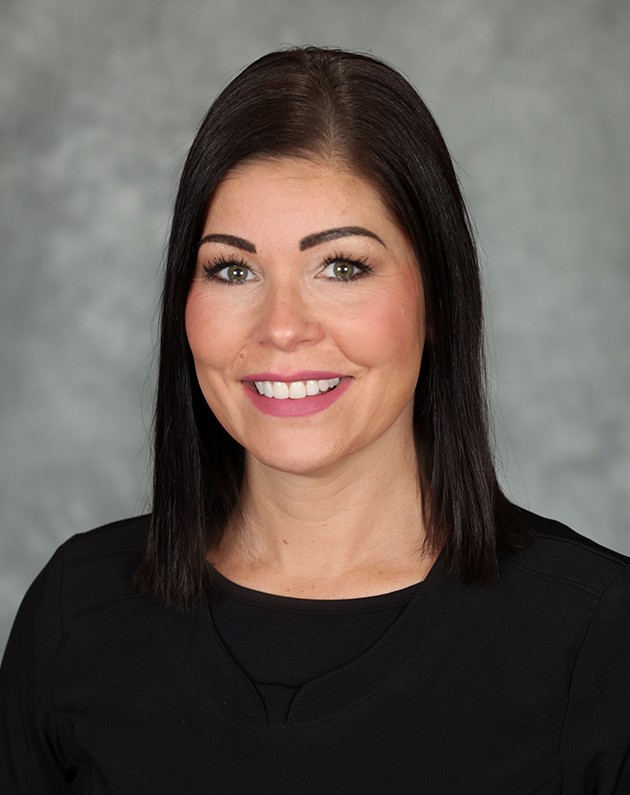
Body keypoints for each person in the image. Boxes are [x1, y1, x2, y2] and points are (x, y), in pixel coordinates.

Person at [1, 46, 629, 793]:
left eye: (342, 266)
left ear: (437, 301)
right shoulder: (77, 612)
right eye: (233, 269)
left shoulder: (597, 640)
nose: (282, 327)